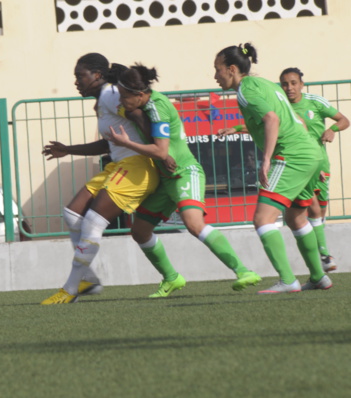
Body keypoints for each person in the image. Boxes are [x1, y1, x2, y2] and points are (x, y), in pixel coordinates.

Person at [106, 64, 261, 298]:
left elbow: (159, 151)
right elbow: (146, 133)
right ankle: (171, 278)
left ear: (139, 95)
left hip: (185, 173)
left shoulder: (158, 107)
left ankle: (244, 271)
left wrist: (126, 143)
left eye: (125, 97)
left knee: (193, 223)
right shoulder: (143, 104)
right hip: (166, 178)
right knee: (139, 230)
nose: (122, 101)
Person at [40, 53, 161, 304]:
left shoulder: (110, 95)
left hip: (136, 166)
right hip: (120, 165)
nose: (76, 82)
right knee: (73, 214)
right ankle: (88, 280)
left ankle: (71, 288)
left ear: (97, 75)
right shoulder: (102, 101)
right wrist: (68, 150)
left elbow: (138, 115)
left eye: (79, 76)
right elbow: (108, 143)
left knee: (93, 222)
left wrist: (157, 149)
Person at [213, 43, 330, 293]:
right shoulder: (265, 84)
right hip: (308, 153)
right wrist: (309, 157)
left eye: (218, 69)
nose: (215, 76)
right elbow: (293, 119)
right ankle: (319, 277)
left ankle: (288, 280)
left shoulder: (245, 90)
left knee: (262, 218)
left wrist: (266, 160)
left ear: (232, 69)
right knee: (296, 216)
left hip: (290, 156)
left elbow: (272, 119)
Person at [279, 67, 349, 272]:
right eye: (285, 84)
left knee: (319, 211)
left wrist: (332, 130)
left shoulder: (315, 102)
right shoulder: (280, 105)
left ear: (301, 84)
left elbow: (344, 120)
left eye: (293, 83)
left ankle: (321, 250)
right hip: (297, 164)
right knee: (312, 207)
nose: (289, 87)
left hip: (320, 162)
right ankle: (324, 254)